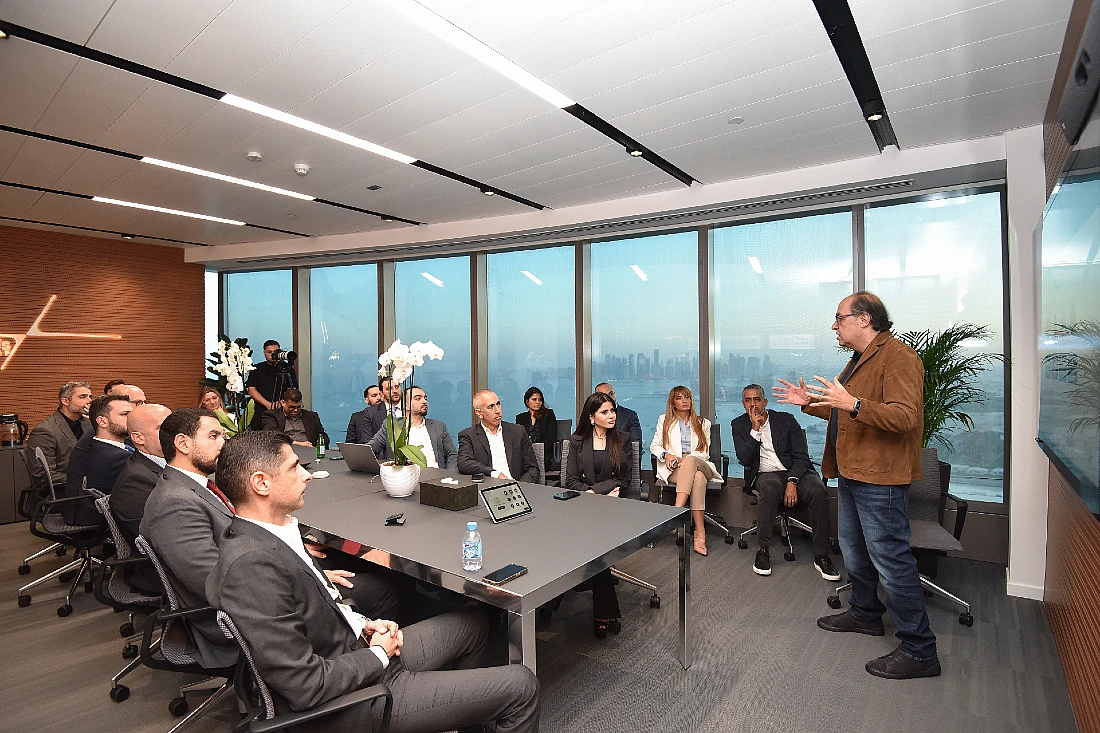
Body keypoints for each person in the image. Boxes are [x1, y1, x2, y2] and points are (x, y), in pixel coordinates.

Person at [205, 431, 541, 733]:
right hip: (352, 700)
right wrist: (379, 655)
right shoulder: (251, 566)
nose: (307, 475)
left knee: (474, 622)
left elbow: (314, 611)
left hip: (356, 653)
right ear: (262, 483)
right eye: (294, 468)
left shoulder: (277, 533)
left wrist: (362, 624)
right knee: (522, 685)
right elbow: (305, 684)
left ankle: (462, 716)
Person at [774, 291, 938, 680]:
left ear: (864, 319)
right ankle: (866, 613)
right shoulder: (858, 361)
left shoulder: (899, 357)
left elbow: (905, 418)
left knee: (891, 560)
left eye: (840, 318)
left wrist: (853, 405)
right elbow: (845, 410)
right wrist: (809, 403)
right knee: (853, 548)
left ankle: (920, 649)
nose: (835, 325)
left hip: (880, 477)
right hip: (851, 472)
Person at [731, 384, 838, 581]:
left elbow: (801, 456)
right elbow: (745, 459)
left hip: (797, 471)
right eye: (748, 400)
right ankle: (763, 550)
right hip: (766, 474)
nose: (753, 404)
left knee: (817, 490)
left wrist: (792, 480)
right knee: (770, 487)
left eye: (756, 399)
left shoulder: (786, 420)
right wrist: (755, 430)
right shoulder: (739, 425)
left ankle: (822, 555)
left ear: (765, 402)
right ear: (743, 403)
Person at [564, 392, 631, 638]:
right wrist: (593, 492)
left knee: (595, 548)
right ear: (592, 417)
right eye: (604, 412)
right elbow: (570, 481)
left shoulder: (622, 439)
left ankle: (557, 603)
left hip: (614, 506)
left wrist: (599, 492)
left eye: (612, 411)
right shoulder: (577, 441)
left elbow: (624, 479)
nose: (611, 415)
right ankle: (603, 609)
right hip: (583, 504)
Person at [109, 403, 171, 593]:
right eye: (163, 428)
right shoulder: (136, 480)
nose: (175, 433)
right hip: (164, 574)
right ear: (138, 438)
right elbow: (164, 543)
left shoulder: (165, 465)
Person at [650, 386, 718, 556]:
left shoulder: (703, 423)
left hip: (700, 463)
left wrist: (685, 460)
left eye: (687, 397)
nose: (685, 400)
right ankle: (700, 534)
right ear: (673, 402)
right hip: (675, 469)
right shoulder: (664, 420)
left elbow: (704, 452)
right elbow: (655, 446)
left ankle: (675, 513)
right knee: (699, 479)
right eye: (679, 398)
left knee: (692, 463)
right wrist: (666, 456)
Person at [63, 394, 133, 526]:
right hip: (104, 520)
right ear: (102, 422)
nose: (132, 419)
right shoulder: (116, 457)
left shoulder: (97, 446)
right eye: (124, 414)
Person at [458, 390, 539, 483]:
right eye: (491, 407)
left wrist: (519, 486)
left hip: (517, 486)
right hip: (487, 488)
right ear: (479, 413)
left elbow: (533, 468)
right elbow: (464, 463)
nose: (497, 411)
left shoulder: (517, 431)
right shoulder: (468, 435)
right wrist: (494, 473)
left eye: (498, 404)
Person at [367, 386, 457, 469]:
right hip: (405, 480)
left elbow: (452, 455)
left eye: (425, 398)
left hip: (436, 480)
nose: (424, 401)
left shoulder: (439, 426)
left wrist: (448, 476)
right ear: (406, 405)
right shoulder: (392, 426)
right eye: (418, 398)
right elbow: (369, 450)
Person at [28, 380, 92, 487]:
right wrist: (85, 482)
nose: (89, 401)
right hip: (66, 491)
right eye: (82, 397)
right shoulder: (45, 430)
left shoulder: (87, 424)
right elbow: (44, 475)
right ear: (65, 401)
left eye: (90, 397)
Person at [246, 340, 297, 429]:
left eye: (275, 352)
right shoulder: (257, 369)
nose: (272, 355)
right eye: (269, 352)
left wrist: (282, 403)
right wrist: (268, 404)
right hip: (260, 411)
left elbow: (292, 390)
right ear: (264, 353)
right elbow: (251, 389)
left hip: (283, 410)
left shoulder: (287, 369)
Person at [261, 388, 329, 448]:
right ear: (283, 403)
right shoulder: (271, 415)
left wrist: (316, 448)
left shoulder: (311, 416)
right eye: (292, 407)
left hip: (309, 451)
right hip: (284, 451)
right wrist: (297, 444)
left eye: (298, 407)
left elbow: (323, 436)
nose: (295, 410)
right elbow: (272, 434)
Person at [515, 387, 558, 471]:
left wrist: (535, 450)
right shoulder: (520, 418)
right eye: (534, 399)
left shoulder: (548, 414)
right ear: (527, 402)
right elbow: (518, 440)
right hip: (525, 455)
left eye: (540, 400)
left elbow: (551, 439)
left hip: (543, 454)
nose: (538, 402)